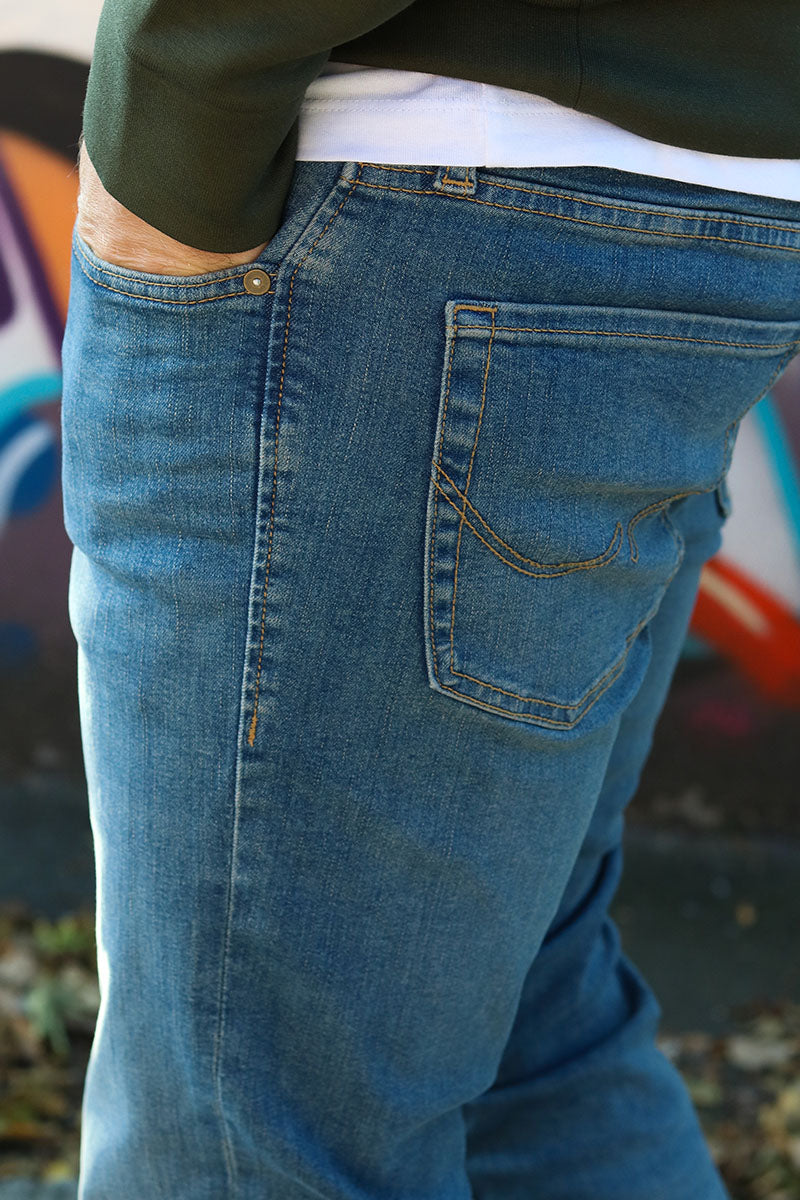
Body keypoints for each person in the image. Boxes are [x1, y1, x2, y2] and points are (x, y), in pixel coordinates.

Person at [61, 2, 800, 1197]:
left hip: (412, 203)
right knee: (523, 1041)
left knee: (250, 1128)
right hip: (678, 177)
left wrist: (170, 86)